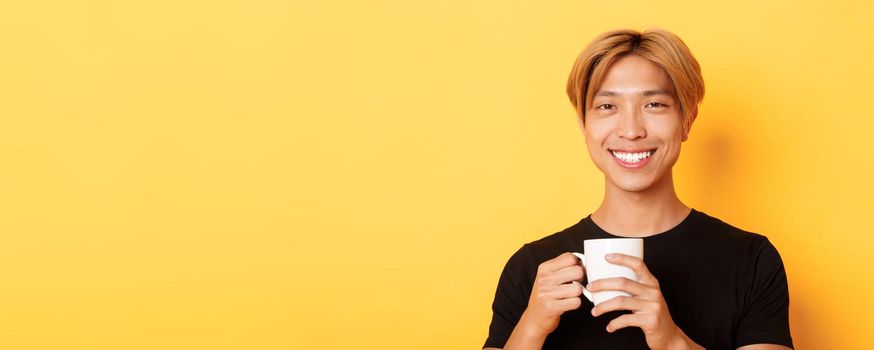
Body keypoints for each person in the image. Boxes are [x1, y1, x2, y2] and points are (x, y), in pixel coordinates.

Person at [482, 28, 793, 350]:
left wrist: (671, 340)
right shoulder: (531, 267)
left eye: (654, 104)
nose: (631, 131)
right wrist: (532, 326)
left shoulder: (751, 260)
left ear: (687, 120)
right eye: (607, 106)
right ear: (583, 124)